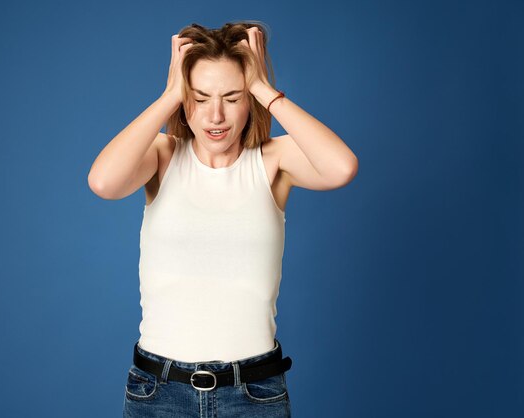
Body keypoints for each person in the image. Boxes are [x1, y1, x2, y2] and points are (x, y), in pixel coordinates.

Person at [88, 21, 358, 418]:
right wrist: (168, 96)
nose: (216, 115)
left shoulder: (273, 161)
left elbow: (341, 168)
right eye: (199, 97)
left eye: (233, 97)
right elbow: (103, 182)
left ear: (249, 99)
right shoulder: (162, 155)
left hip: (253, 394)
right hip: (159, 393)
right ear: (185, 98)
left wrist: (265, 89)